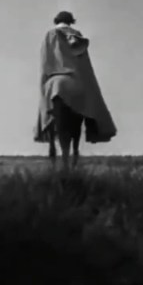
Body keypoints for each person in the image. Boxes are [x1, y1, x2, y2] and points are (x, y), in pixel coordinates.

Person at [34, 11, 117, 168]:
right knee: (88, 103)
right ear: (71, 21)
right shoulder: (77, 35)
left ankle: (50, 138)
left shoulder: (49, 35)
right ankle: (79, 145)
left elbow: (45, 62)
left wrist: (44, 82)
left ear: (56, 20)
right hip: (76, 79)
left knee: (46, 105)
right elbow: (85, 64)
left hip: (55, 80)